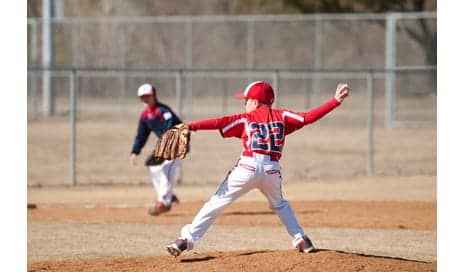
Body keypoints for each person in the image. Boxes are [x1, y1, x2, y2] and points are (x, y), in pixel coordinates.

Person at [166, 81, 350, 256]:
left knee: (216, 203)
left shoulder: (247, 118)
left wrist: (191, 127)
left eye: (246, 100)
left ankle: (186, 239)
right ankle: (301, 240)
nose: (244, 104)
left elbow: (219, 122)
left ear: (254, 101)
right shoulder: (283, 116)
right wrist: (335, 101)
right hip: (271, 170)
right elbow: (308, 117)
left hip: (247, 167)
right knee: (280, 205)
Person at [130, 83, 183, 216]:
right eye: (142, 97)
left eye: (147, 96)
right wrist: (135, 151)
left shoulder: (163, 111)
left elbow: (172, 128)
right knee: (152, 166)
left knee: (166, 169)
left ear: (154, 95)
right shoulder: (145, 116)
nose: (145, 99)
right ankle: (168, 196)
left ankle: (164, 202)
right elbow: (141, 135)